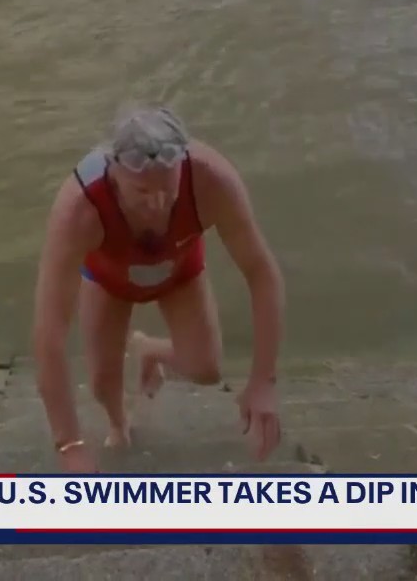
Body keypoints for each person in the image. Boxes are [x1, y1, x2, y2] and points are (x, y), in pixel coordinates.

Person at [31, 106, 286, 473]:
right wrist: (69, 444)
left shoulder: (211, 180)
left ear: (182, 167)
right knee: (103, 384)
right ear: (114, 174)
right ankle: (120, 424)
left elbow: (261, 272)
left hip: (179, 268)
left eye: (168, 189)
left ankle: (150, 349)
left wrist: (263, 382)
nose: (157, 204)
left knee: (208, 369)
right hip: (107, 277)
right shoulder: (79, 206)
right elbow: (49, 331)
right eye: (142, 191)